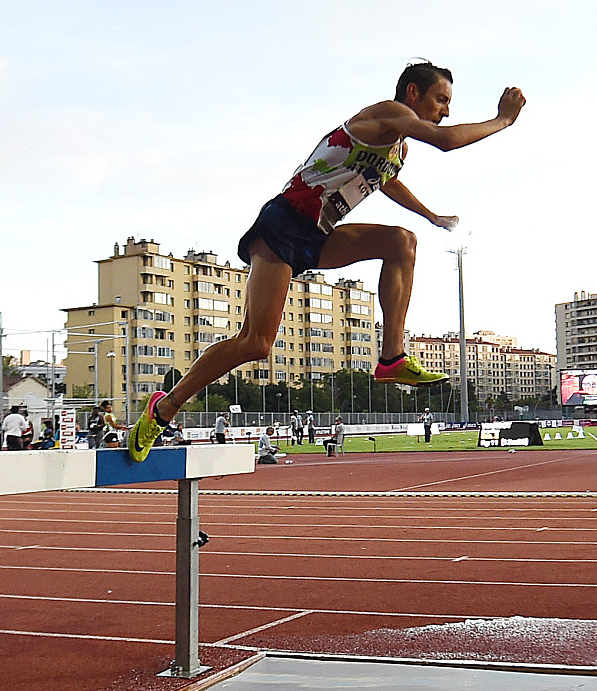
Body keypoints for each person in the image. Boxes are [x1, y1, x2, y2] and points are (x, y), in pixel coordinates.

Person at [126, 61, 526, 462]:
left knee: (402, 242)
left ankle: (391, 358)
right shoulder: (386, 112)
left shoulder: (398, 147)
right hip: (284, 224)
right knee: (256, 343)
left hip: (318, 234)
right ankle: (165, 407)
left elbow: (385, 180)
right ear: (412, 94)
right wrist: (502, 121)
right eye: (441, 99)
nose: (446, 110)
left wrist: (430, 215)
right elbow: (445, 140)